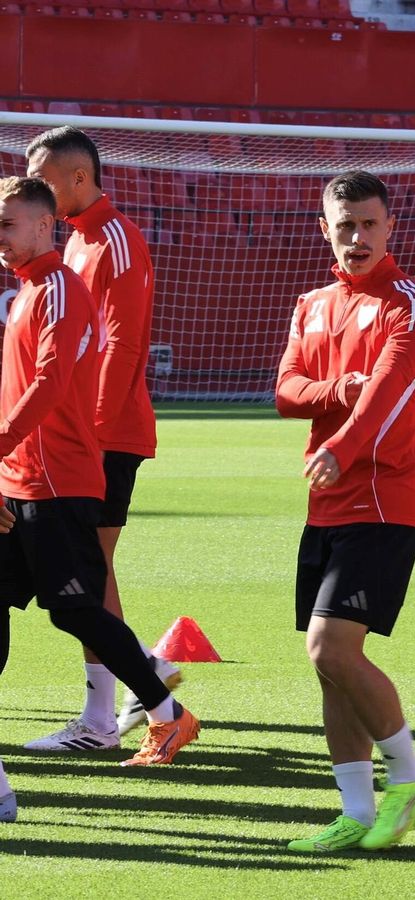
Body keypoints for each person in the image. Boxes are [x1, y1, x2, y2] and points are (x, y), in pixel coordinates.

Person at [0, 175, 200, 769]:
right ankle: (158, 706)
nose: (1, 237)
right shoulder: (32, 290)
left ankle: (166, 713)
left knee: (79, 610)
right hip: (21, 477)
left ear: (44, 224)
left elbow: (50, 383)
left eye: (9, 224)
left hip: (57, 481)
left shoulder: (58, 289)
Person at [275, 170, 415, 852]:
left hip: (383, 498)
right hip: (327, 505)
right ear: (325, 229)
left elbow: (391, 392)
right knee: (329, 665)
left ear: (390, 227)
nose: (357, 238)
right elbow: (286, 390)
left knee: (331, 647)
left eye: (369, 224)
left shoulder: (412, 304)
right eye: (345, 226)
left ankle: (409, 775)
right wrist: (334, 388)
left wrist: (343, 446)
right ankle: (356, 811)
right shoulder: (312, 303)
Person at [23, 126, 176, 747]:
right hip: (84, 434)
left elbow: (122, 344)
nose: (34, 189)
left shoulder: (114, 239)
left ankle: (101, 717)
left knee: (90, 573)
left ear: (78, 179)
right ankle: (143, 672)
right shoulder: (78, 242)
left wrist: (88, 430)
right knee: (89, 572)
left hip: (104, 434)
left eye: (43, 178)